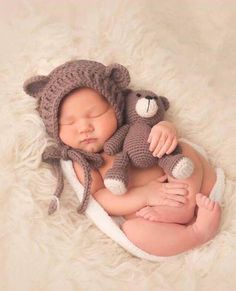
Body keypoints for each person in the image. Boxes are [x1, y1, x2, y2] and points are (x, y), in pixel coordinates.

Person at [23, 59, 221, 257]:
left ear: (115, 108)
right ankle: (197, 233)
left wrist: (165, 129)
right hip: (151, 216)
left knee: (183, 149)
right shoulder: (83, 163)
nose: (84, 127)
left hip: (190, 191)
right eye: (69, 122)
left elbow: (157, 127)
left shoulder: (130, 130)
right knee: (134, 231)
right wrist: (146, 194)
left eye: (95, 114)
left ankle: (185, 209)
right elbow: (100, 197)